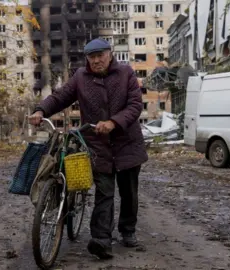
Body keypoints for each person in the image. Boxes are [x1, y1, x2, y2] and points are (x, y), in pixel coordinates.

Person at [28, 38, 148, 259]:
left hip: (127, 143)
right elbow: (60, 97)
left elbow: (135, 105)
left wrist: (113, 122)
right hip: (98, 146)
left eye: (100, 55)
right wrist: (41, 110)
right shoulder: (81, 77)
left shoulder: (126, 74)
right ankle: (101, 240)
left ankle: (127, 230)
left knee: (129, 192)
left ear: (109, 54)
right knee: (105, 193)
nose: (96, 60)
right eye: (91, 57)